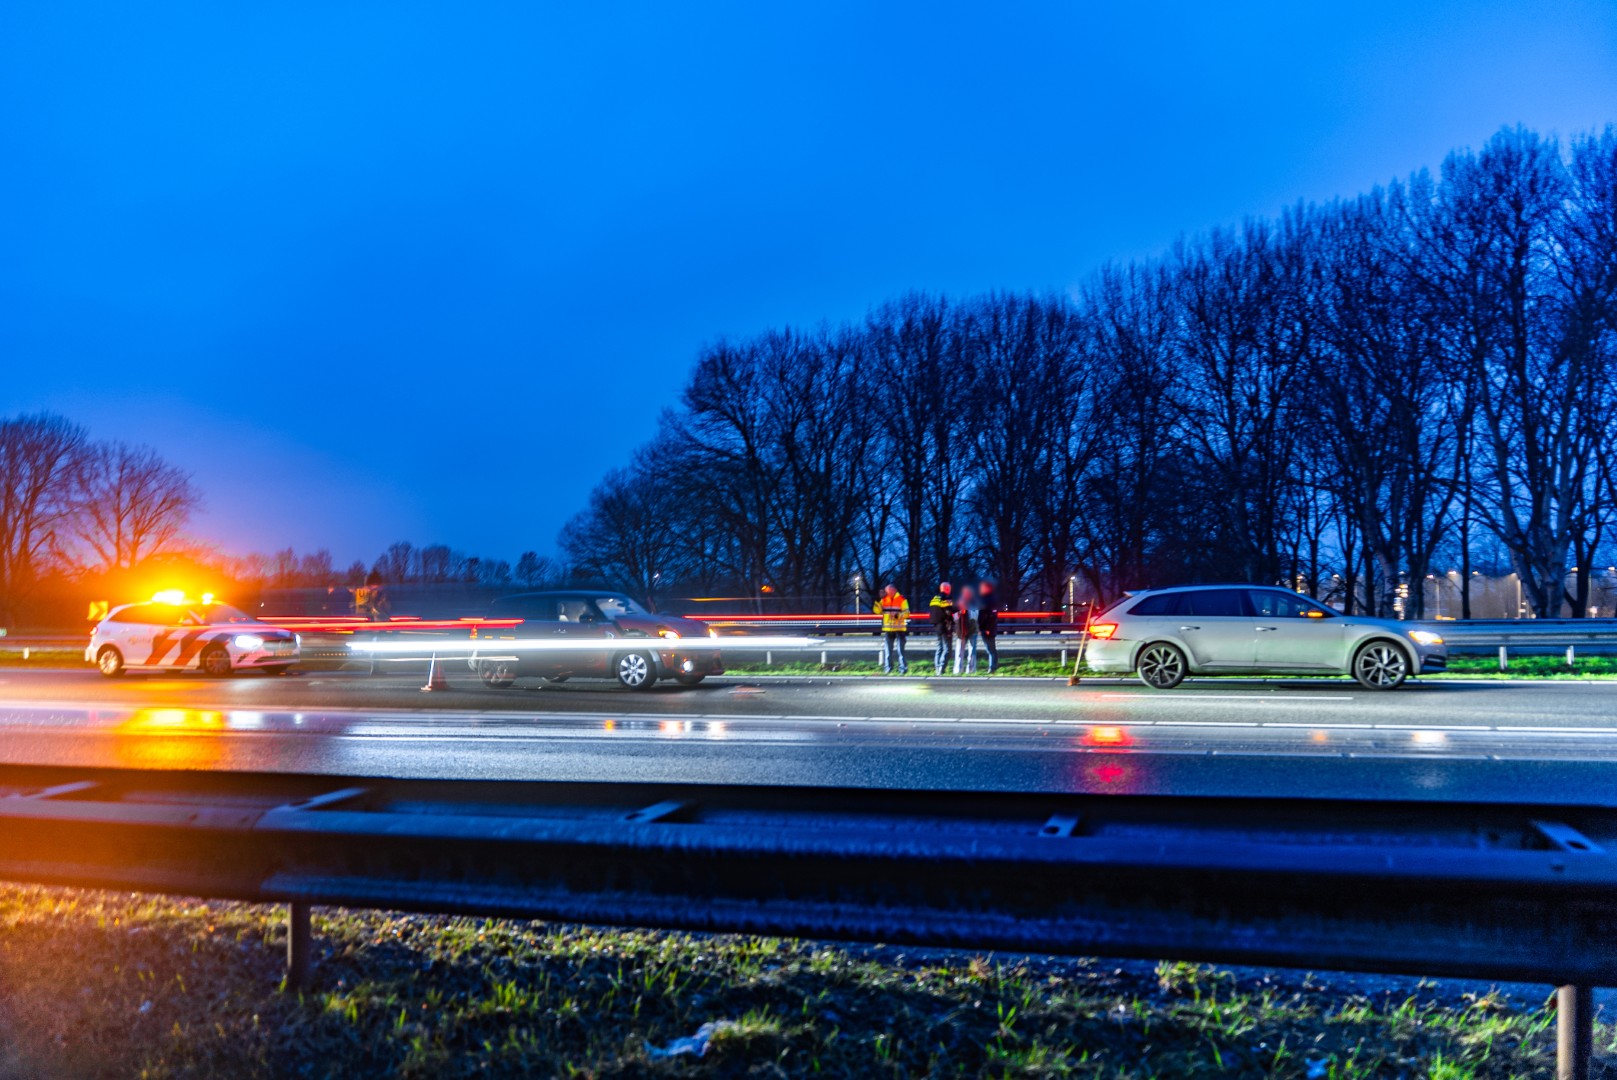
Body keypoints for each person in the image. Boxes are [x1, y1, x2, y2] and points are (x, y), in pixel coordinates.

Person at [874, 583, 910, 675]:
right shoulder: (884, 600)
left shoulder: (902, 599)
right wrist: (878, 600)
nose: (885, 593)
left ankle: (903, 669)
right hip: (888, 629)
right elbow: (877, 611)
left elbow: (907, 613)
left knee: (900, 651)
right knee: (888, 651)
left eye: (887, 591)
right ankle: (888, 669)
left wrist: (898, 615)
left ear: (893, 590)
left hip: (899, 629)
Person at [928, 582, 954, 675]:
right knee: (947, 649)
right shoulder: (946, 598)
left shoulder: (934, 599)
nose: (950, 590)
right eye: (949, 589)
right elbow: (950, 611)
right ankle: (941, 668)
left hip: (936, 626)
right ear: (947, 589)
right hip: (945, 626)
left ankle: (937, 667)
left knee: (939, 648)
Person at [954, 585, 981, 675]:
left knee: (972, 651)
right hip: (961, 630)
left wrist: (967, 611)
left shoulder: (974, 603)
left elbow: (975, 616)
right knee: (959, 652)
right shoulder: (958, 603)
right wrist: (960, 612)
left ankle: (971, 670)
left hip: (972, 630)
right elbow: (954, 616)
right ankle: (958, 670)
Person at [978, 581, 1000, 674]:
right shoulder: (989, 599)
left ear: (987, 588)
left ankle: (992, 668)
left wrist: (985, 628)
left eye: (982, 588)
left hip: (987, 629)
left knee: (991, 649)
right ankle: (993, 667)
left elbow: (990, 617)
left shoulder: (988, 600)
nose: (980, 589)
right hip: (988, 628)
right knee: (991, 649)